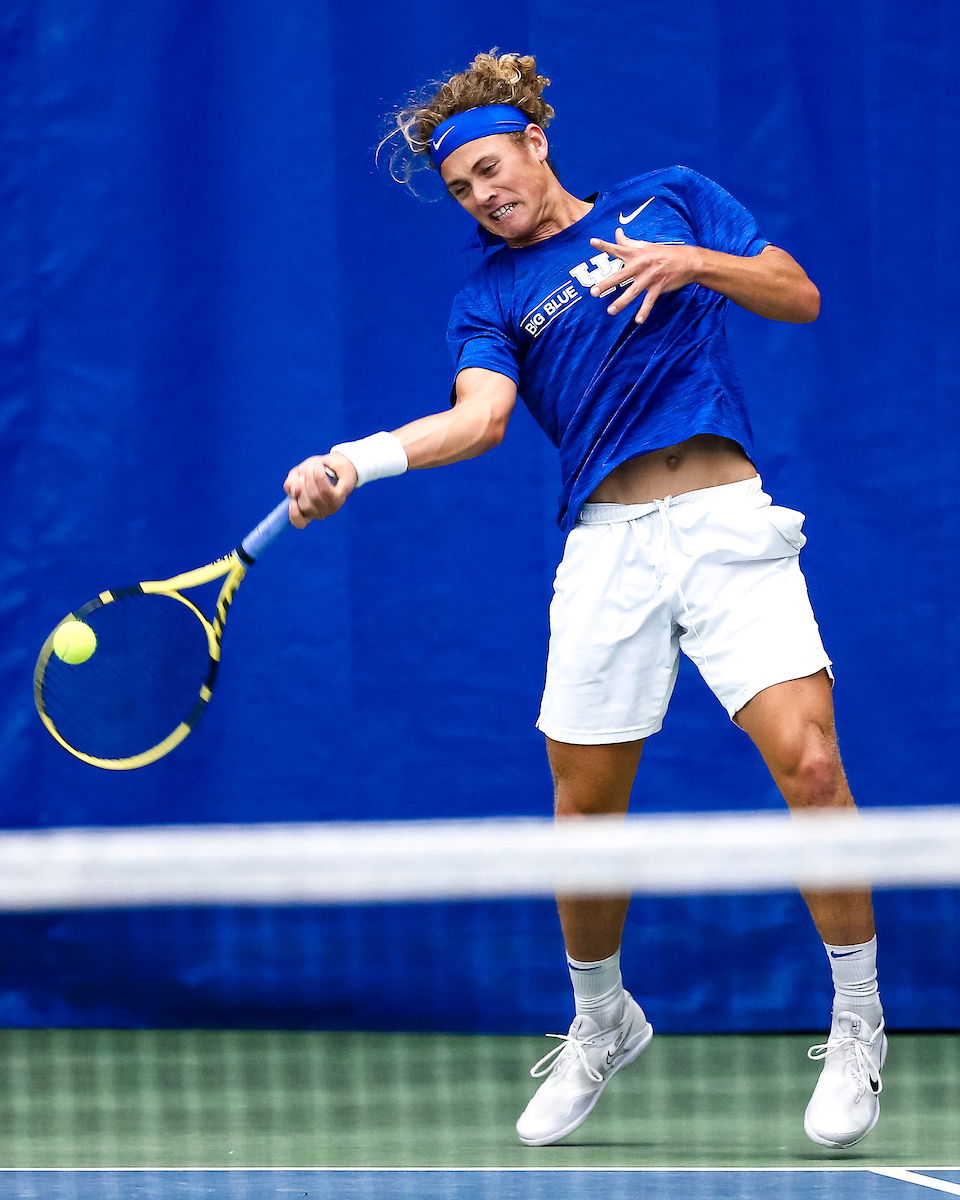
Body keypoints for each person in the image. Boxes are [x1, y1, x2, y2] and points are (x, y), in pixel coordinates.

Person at [284, 51, 886, 1151]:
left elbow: (796, 294)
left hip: (726, 521)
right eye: (459, 189)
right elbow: (478, 420)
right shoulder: (491, 293)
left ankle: (857, 1024)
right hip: (607, 550)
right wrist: (353, 460)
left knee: (811, 764)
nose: (479, 195)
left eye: (487, 168)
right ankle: (602, 1018)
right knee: (585, 813)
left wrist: (691, 261)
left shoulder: (670, 195)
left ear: (534, 144)